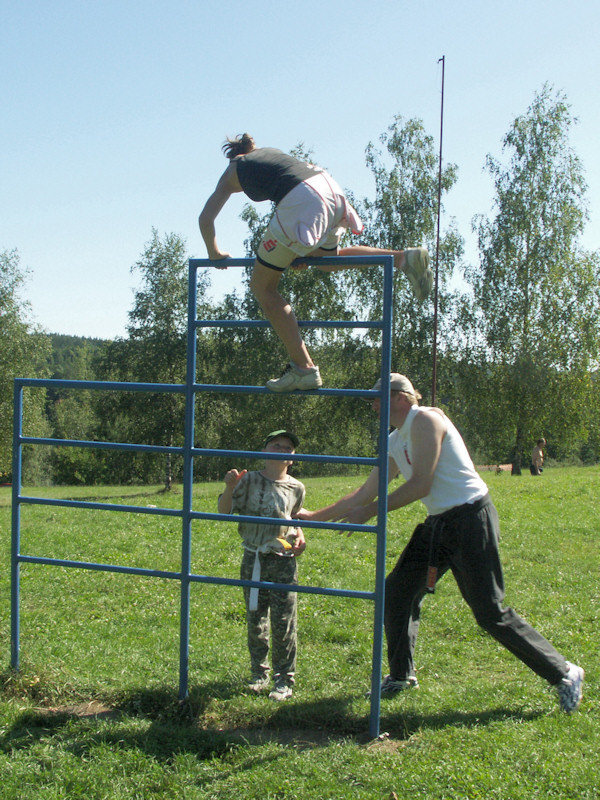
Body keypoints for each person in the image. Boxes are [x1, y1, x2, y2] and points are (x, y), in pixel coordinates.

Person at [296, 374, 584, 712]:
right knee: (396, 594)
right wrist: (313, 517)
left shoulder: (426, 420)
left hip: (471, 519)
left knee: (489, 612)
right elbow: (364, 492)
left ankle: (564, 673)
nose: (372, 406)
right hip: (439, 524)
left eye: (377, 398)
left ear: (400, 396)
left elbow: (421, 484)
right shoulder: (394, 440)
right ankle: (401, 675)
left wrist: (371, 511)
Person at [199, 134, 432, 392]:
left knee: (262, 287)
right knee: (328, 261)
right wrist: (298, 252)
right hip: (329, 189)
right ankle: (402, 258)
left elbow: (205, 219)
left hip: (303, 199)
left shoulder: (234, 169)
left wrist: (214, 253)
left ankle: (304, 368)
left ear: (234, 156)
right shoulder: (270, 155)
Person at [218, 429, 306, 701]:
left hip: (283, 560)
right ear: (264, 451)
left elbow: (293, 517)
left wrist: (300, 534)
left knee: (284, 620)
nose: (282, 449)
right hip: (253, 557)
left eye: (288, 447)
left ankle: (284, 678)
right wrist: (230, 487)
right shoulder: (249, 480)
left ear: (293, 457)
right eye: (275, 444)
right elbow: (224, 510)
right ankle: (259, 673)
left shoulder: (297, 487)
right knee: (256, 618)